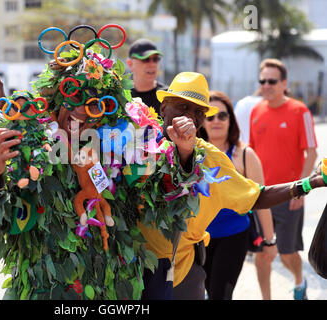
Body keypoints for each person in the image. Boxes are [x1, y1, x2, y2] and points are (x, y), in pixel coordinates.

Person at [138, 71, 326, 300]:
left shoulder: (211, 159)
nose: (189, 117)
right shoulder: (138, 143)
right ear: (164, 108)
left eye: (198, 112)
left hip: (180, 275)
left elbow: (256, 196)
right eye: (182, 107)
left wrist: (308, 183)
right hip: (132, 269)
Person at [249, 58, 318, 300]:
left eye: (272, 81)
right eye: (262, 80)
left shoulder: (301, 111)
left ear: (284, 83)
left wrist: (302, 188)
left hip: (290, 195)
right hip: (261, 197)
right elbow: (251, 153)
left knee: (287, 253)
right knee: (261, 255)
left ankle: (299, 282)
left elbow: (312, 153)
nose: (266, 85)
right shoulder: (256, 111)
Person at [198, 90, 277, 300]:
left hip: (233, 236)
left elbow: (262, 199)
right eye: (210, 116)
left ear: (231, 119)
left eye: (223, 116)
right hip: (197, 238)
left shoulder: (245, 154)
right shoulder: (192, 152)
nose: (216, 121)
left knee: (220, 295)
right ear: (202, 121)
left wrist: (270, 241)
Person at [126, 38, 167, 115]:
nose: (152, 64)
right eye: (146, 59)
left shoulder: (167, 97)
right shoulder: (121, 97)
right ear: (130, 64)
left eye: (155, 59)